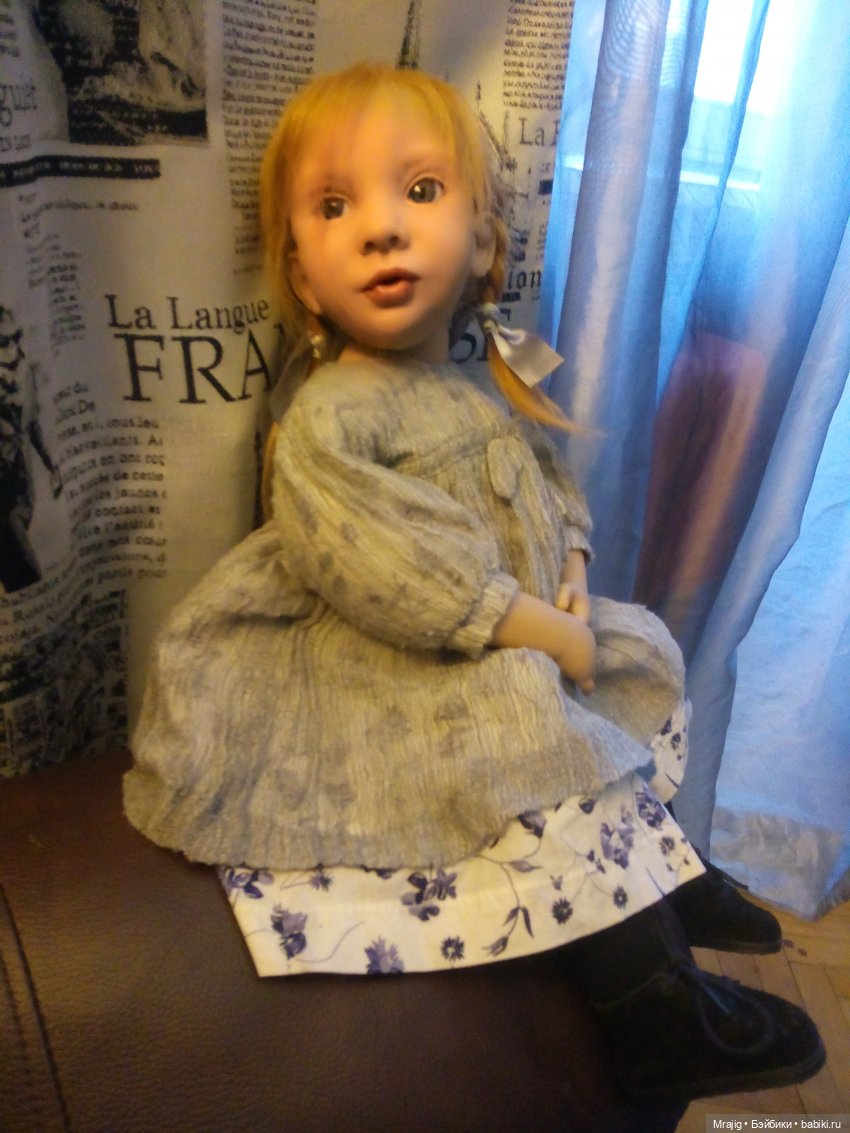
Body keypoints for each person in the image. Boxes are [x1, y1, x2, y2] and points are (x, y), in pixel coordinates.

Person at [124, 63, 822, 1103]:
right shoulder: (330, 417)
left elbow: (545, 474)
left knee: (638, 645)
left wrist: (573, 565)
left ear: (484, 244)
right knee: (528, 729)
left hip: (514, 625)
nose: (379, 228)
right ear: (305, 278)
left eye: (418, 191)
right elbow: (389, 567)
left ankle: (665, 870)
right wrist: (532, 625)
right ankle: (657, 1010)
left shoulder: (471, 381)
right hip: (402, 666)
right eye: (334, 206)